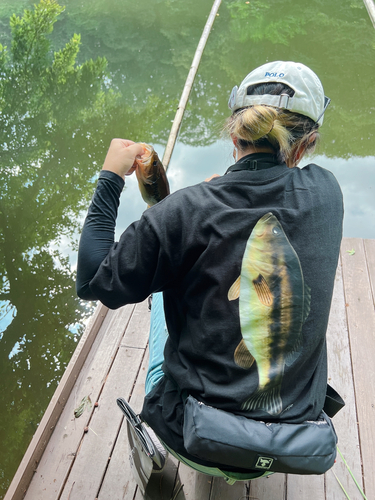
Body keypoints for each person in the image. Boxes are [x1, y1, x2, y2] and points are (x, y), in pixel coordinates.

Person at [76, 61, 343, 482]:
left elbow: (94, 281)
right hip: (290, 440)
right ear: (306, 143)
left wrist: (110, 176)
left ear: (234, 133)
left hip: (195, 440)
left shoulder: (186, 210)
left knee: (165, 296)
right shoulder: (328, 194)